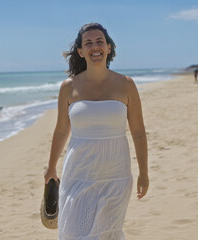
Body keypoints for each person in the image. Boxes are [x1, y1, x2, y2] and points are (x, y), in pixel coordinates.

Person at [44, 23, 149, 239]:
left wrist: (144, 173)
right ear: (81, 52)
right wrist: (51, 167)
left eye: (100, 41)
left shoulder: (126, 84)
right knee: (75, 234)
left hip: (116, 175)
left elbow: (138, 132)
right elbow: (62, 130)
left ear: (109, 47)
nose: (95, 47)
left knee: (107, 234)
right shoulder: (68, 86)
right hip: (78, 175)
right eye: (88, 43)